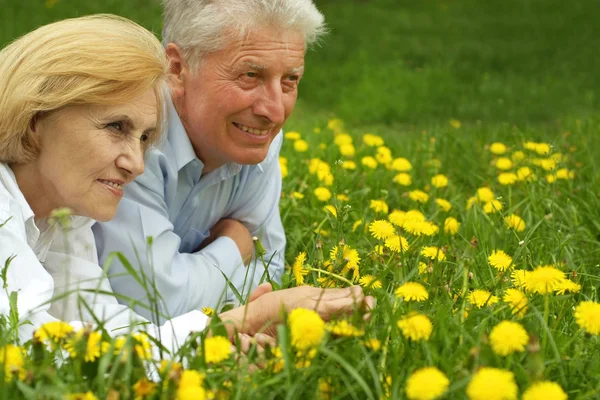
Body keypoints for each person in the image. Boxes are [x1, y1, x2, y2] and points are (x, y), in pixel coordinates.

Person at [0, 14, 373, 353]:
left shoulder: (64, 220)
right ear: (36, 118)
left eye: (145, 139)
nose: (136, 165)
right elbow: (31, 351)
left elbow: (106, 332)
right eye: (116, 127)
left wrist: (223, 341)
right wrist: (237, 319)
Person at [94, 0, 327, 323]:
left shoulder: (253, 136)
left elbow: (269, 270)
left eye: (290, 80)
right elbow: (149, 305)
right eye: (250, 75)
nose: (274, 112)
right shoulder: (132, 141)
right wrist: (234, 245)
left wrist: (191, 283)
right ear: (176, 69)